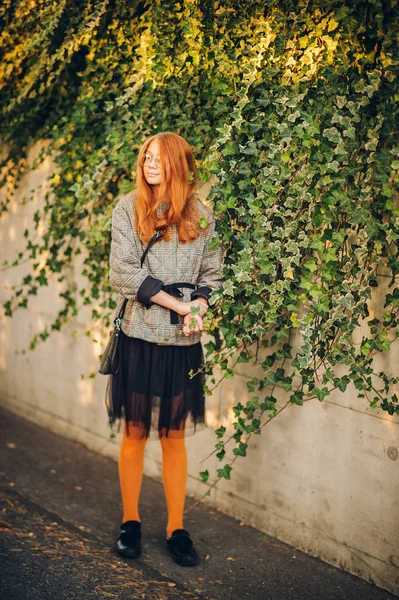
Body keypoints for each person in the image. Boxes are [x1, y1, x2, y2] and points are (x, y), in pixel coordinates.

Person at [106, 131, 224, 566]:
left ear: (178, 162)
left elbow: (213, 272)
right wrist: (179, 303)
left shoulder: (201, 215)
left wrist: (202, 302)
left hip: (182, 343)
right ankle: (130, 522)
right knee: (135, 431)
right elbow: (123, 275)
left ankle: (177, 528)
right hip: (139, 338)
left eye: (158, 157)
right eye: (145, 156)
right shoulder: (128, 208)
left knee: (173, 436)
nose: (149, 163)